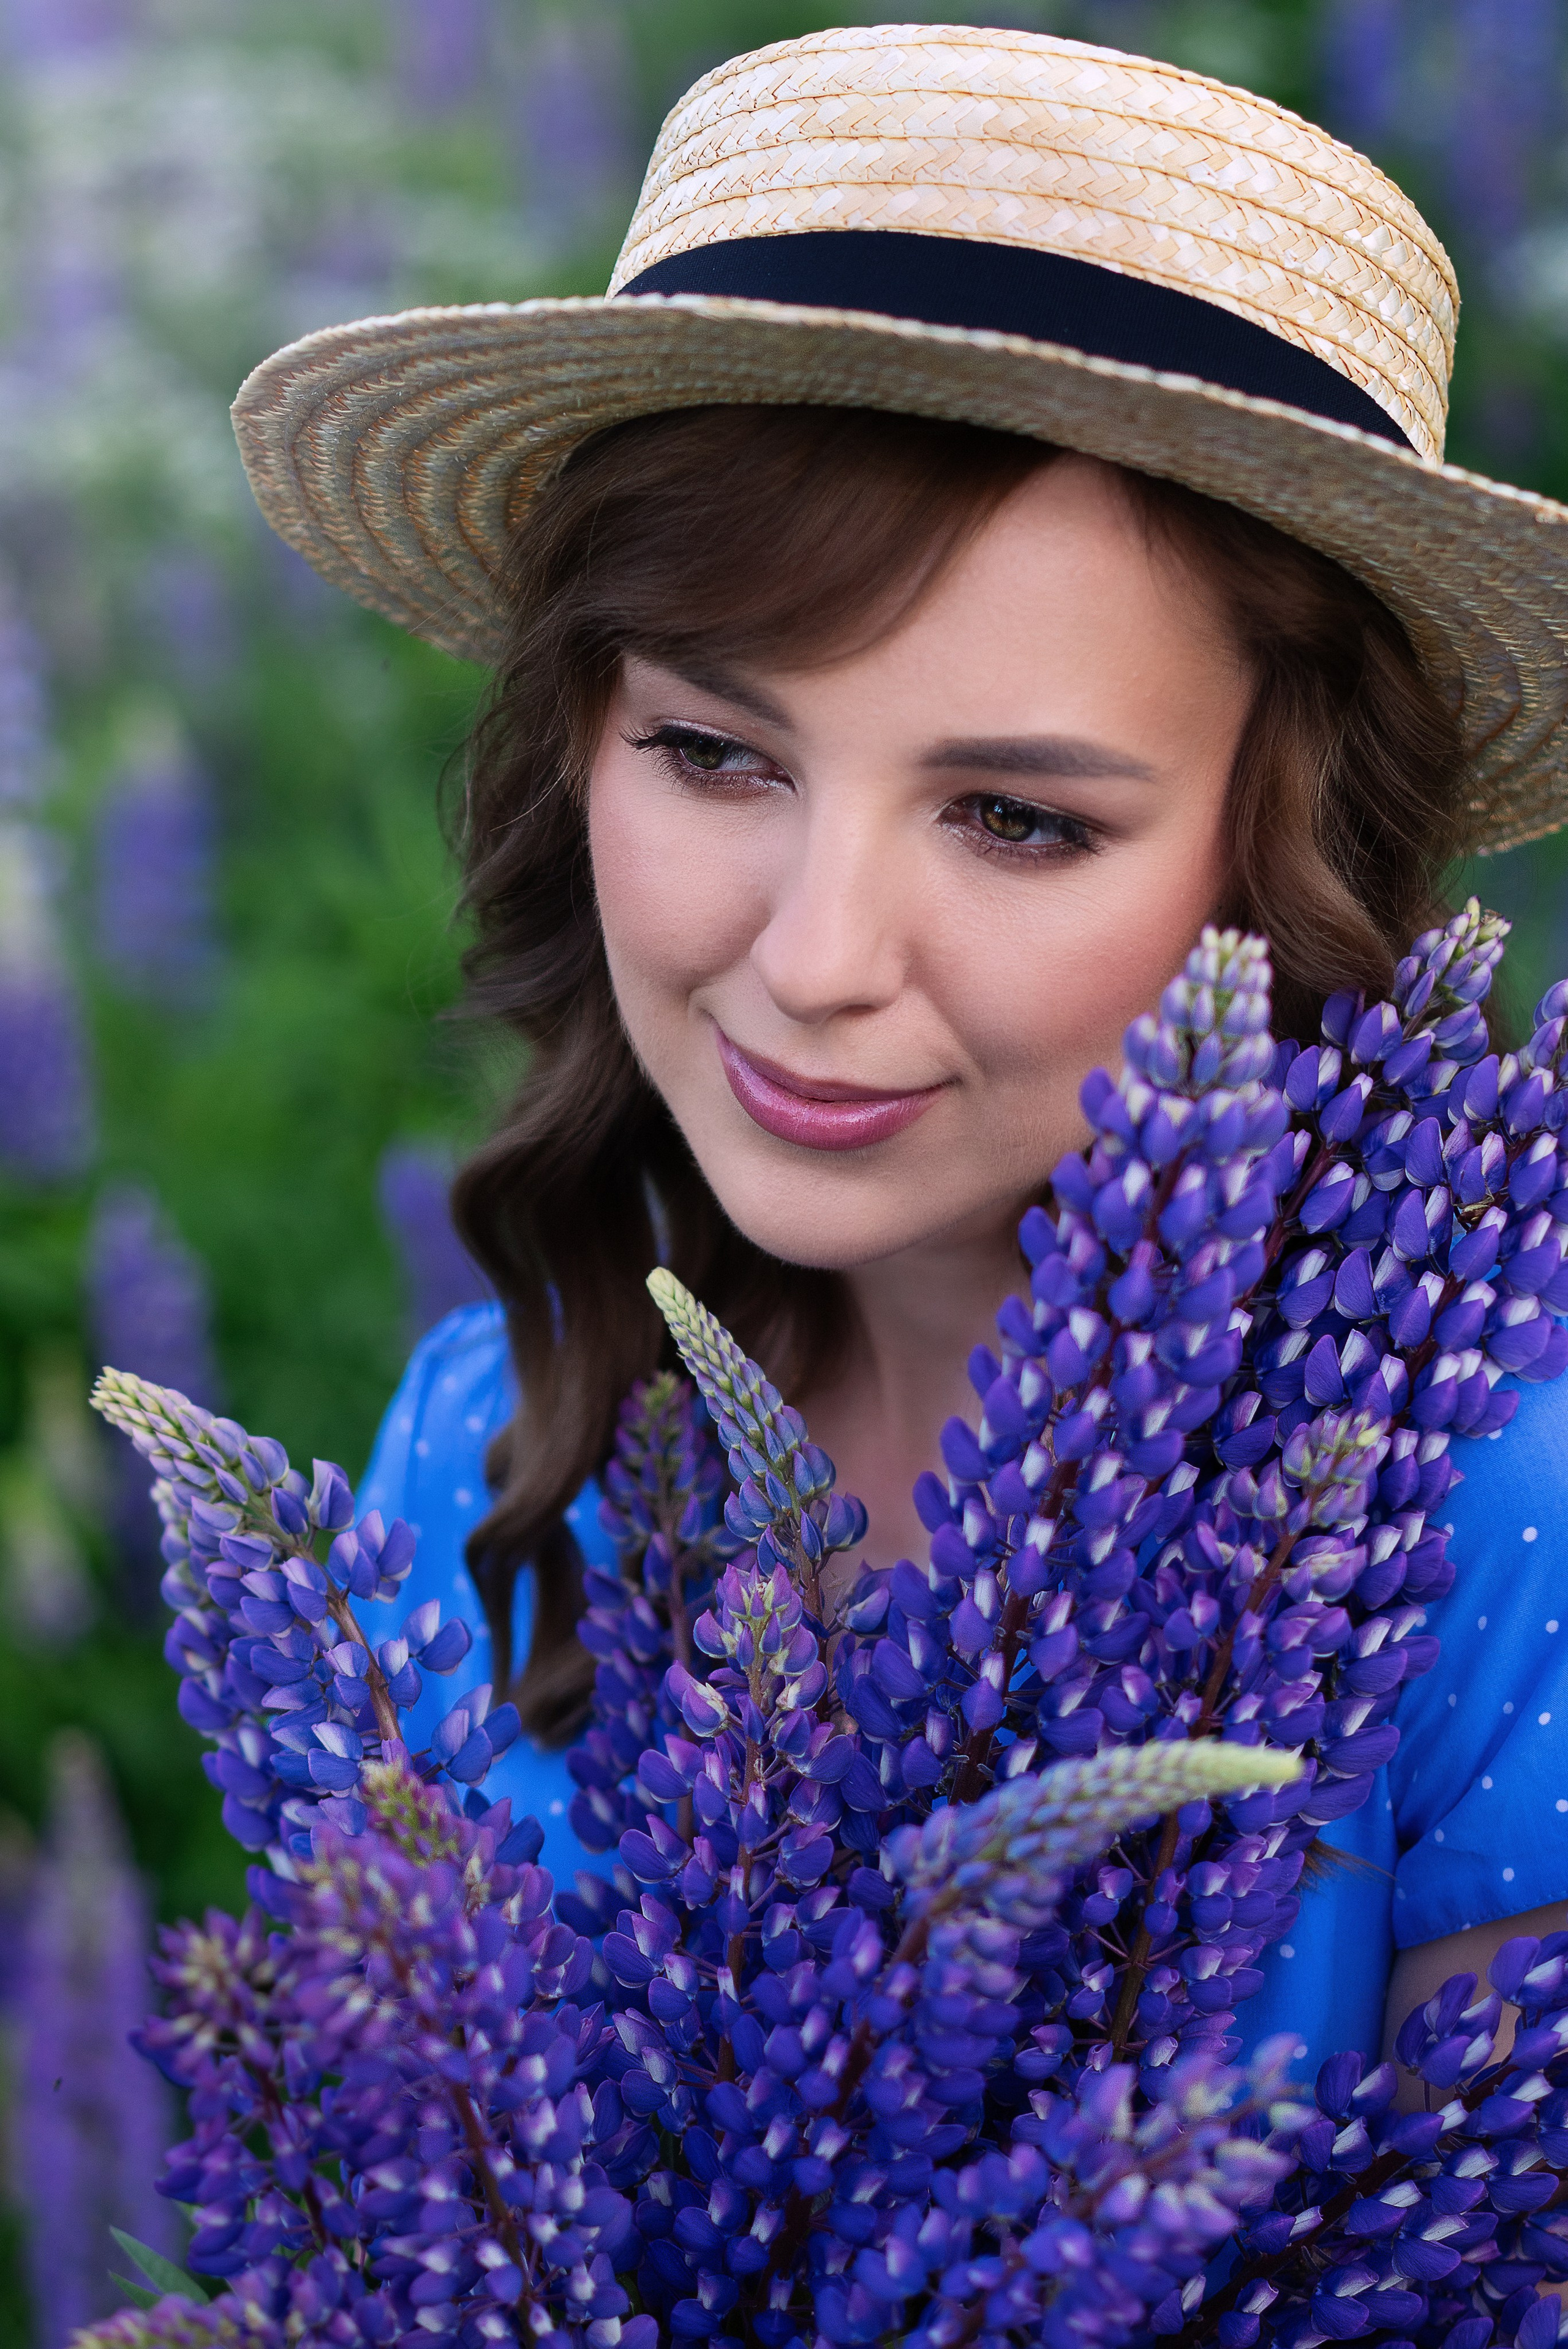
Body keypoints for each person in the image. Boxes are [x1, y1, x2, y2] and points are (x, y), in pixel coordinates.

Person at [235, 23, 1568, 2091]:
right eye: (713, 751)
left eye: (1019, 817)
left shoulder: (1488, 1516)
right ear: (575, 743)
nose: (817, 954)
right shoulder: (490, 1428)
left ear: (1279, 857)